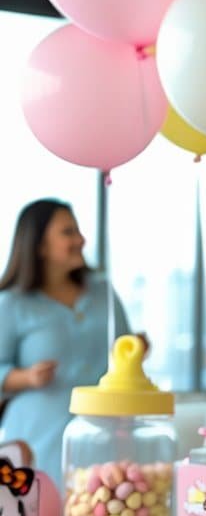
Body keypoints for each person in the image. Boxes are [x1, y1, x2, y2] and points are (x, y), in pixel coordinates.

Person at [0, 199, 130, 488]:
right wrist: (27, 377)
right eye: (68, 232)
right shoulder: (11, 304)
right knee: (43, 511)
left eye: (78, 230)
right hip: (37, 442)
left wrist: (136, 350)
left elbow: (125, 350)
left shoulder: (103, 292)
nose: (80, 239)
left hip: (104, 437)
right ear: (39, 246)